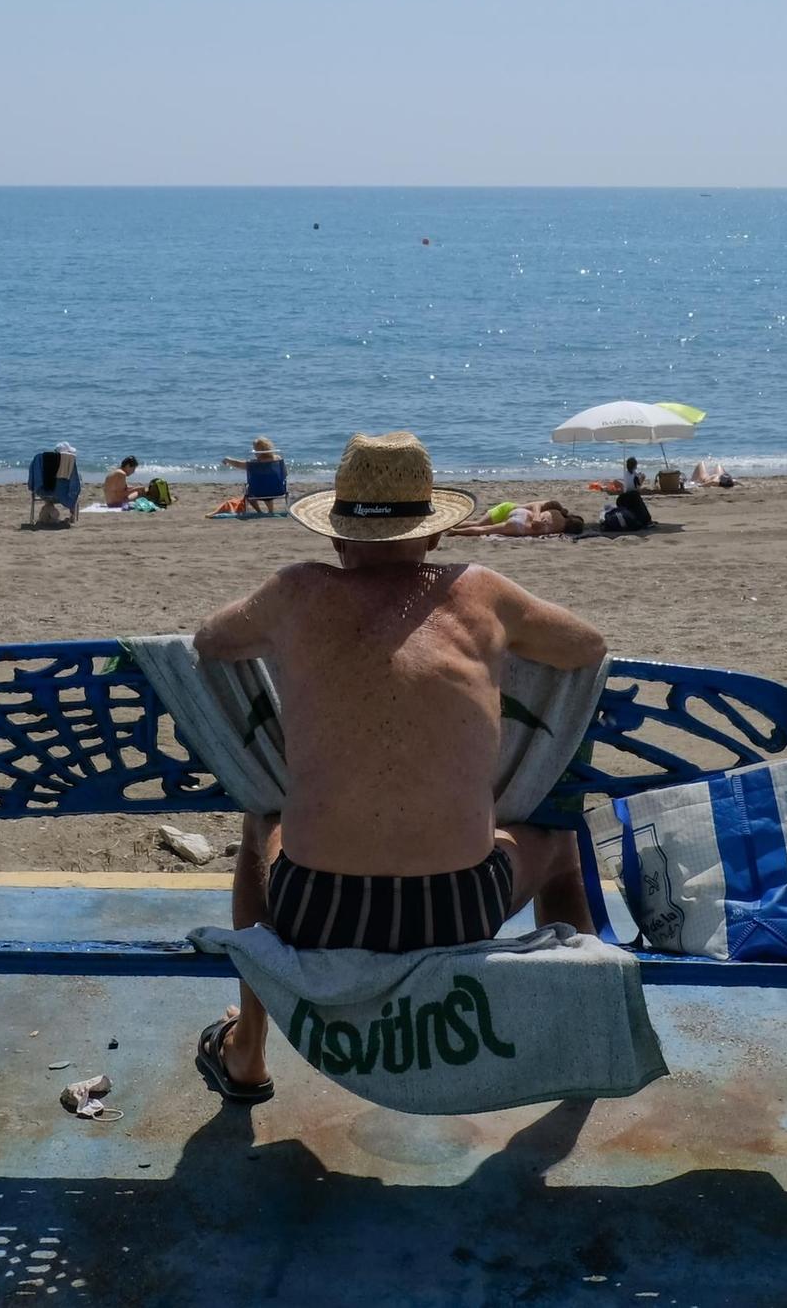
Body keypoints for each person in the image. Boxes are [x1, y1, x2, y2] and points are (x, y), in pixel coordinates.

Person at [191, 431, 606, 1103]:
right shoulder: (482, 593)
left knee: (258, 822)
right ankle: (582, 1044)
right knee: (557, 844)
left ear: (335, 536)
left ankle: (248, 1052)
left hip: (315, 907)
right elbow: (588, 645)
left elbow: (210, 641)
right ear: (436, 534)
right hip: (459, 909)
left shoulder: (294, 592)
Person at [448, 499, 582, 537]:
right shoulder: (557, 518)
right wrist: (536, 519)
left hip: (520, 513)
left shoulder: (556, 512)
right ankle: (452, 529)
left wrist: (537, 518)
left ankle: (449, 527)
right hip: (511, 513)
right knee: (482, 526)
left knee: (479, 525)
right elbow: (537, 505)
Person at [220, 437, 286, 512]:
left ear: (258, 451)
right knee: (268, 484)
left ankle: (259, 511)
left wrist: (227, 459)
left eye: (254, 449)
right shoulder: (278, 459)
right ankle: (271, 510)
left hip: (257, 492)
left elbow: (238, 464)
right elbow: (285, 474)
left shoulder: (253, 463)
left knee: (250, 491)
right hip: (277, 490)